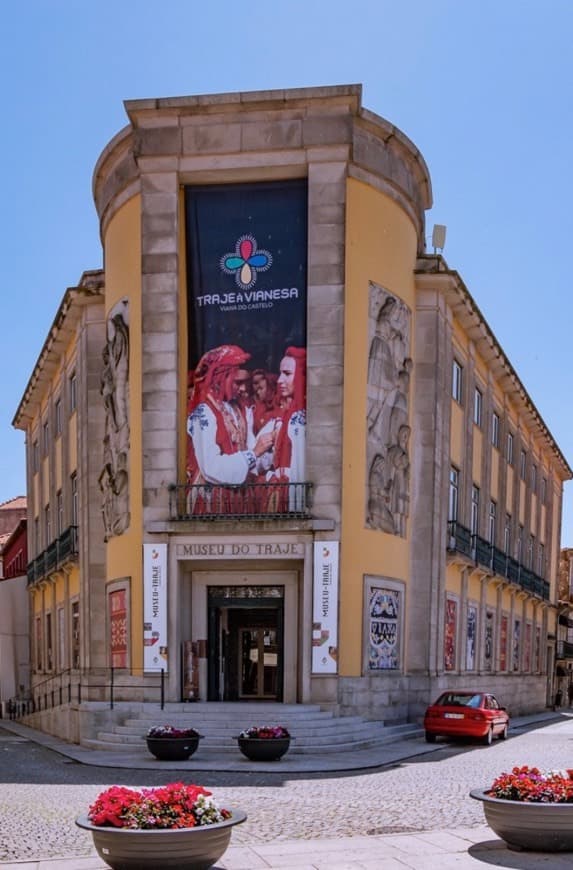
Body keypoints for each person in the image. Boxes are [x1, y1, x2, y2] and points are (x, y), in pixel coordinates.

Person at [186, 345, 274, 513]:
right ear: (221, 377)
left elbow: (251, 454)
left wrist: (270, 447)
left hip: (239, 499)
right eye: (237, 382)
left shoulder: (238, 410)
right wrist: (254, 453)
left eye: (245, 383)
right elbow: (210, 467)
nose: (242, 389)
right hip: (212, 502)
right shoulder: (203, 412)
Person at [267, 347, 306, 511]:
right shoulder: (283, 417)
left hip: (292, 496)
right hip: (279, 492)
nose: (279, 380)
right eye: (280, 373)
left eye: (287, 374)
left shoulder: (301, 419)